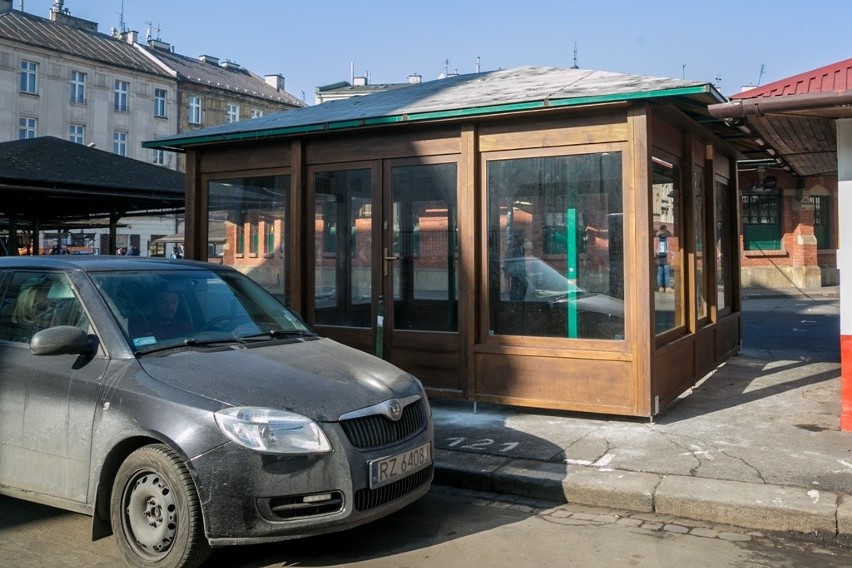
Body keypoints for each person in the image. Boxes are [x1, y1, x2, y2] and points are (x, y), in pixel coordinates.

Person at [129, 287, 194, 341]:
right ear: (153, 303)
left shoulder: (184, 328)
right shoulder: (141, 328)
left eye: (173, 302)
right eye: (163, 302)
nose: (169, 307)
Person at [504, 227, 528, 301]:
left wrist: (524, 271)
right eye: (521, 236)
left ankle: (518, 300)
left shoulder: (521, 247)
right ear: (517, 237)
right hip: (515, 272)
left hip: (520, 271)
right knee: (522, 284)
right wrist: (508, 272)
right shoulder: (512, 247)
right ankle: (515, 301)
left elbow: (522, 260)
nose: (523, 237)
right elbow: (507, 259)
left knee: (521, 286)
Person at [656, 224, 672, 292]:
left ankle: (660, 287)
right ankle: (667, 287)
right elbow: (669, 248)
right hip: (665, 257)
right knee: (666, 273)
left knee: (660, 273)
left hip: (659, 257)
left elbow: (656, 249)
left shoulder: (657, 237)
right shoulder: (667, 236)